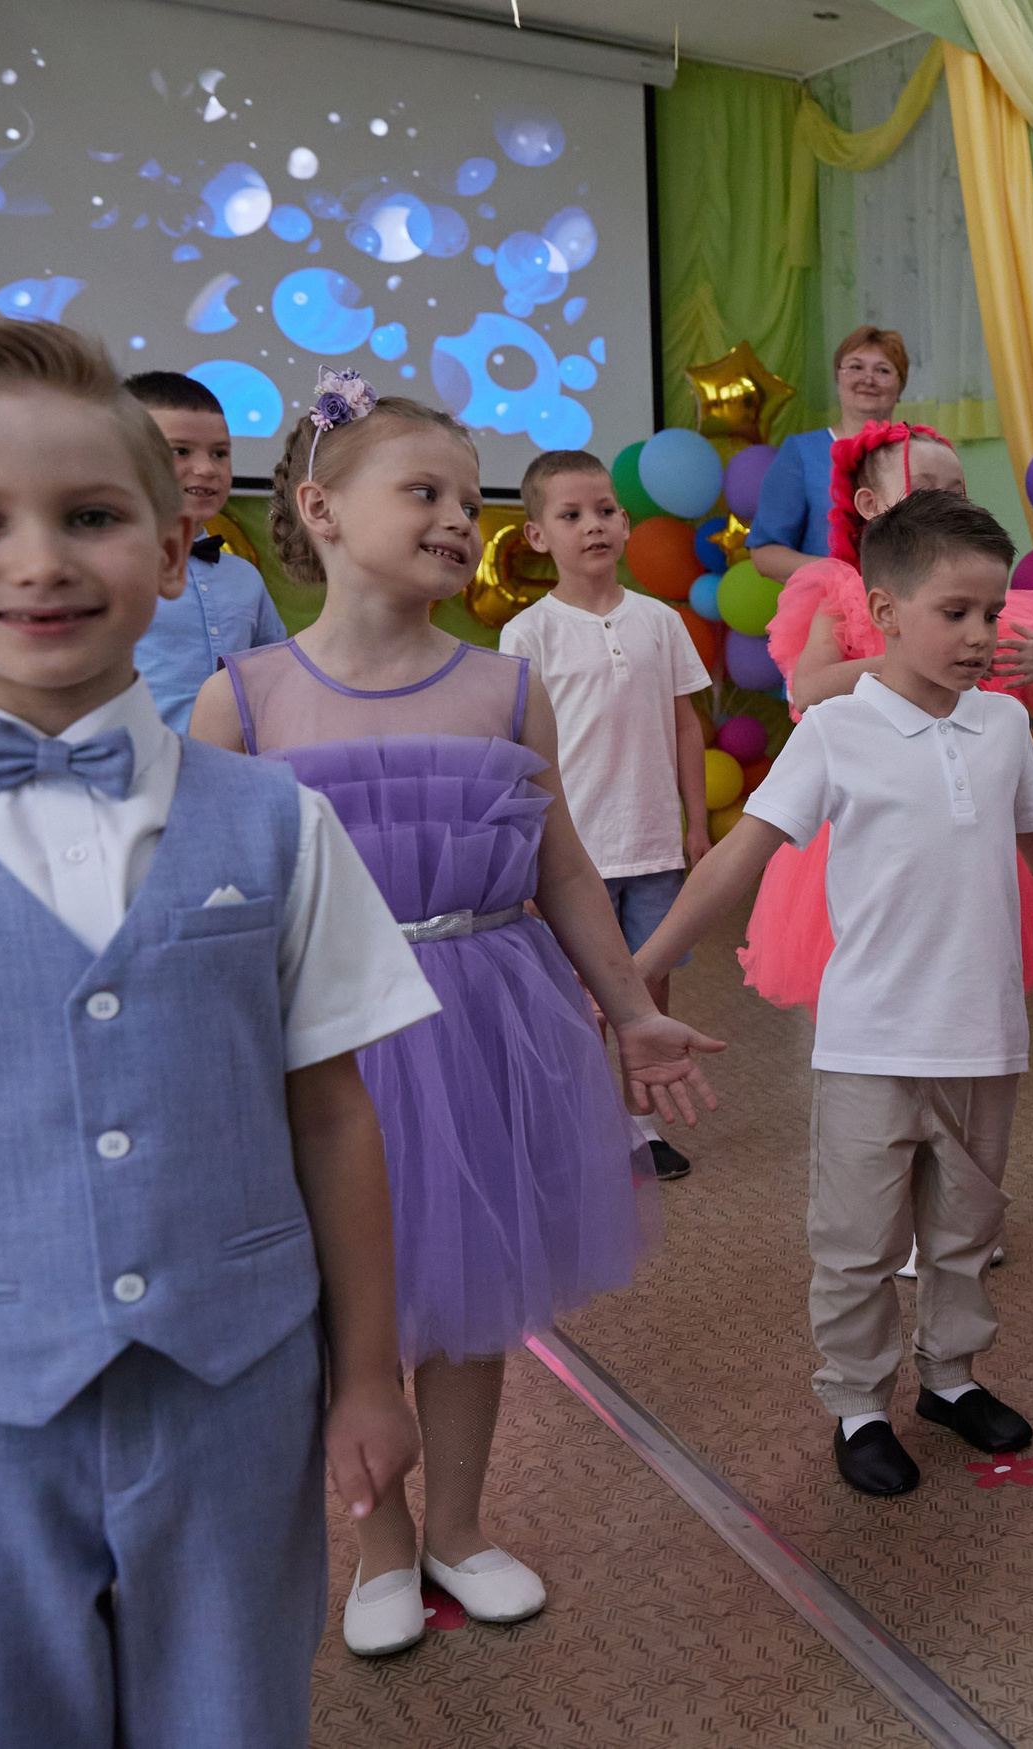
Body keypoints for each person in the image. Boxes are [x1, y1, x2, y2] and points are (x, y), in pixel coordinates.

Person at [0, 318, 433, 1749]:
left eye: (91, 516)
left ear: (173, 554)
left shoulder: (279, 821)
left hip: (234, 1391)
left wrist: (365, 1376)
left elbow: (336, 1111)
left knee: (229, 1714)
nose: (39, 561)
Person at [190, 370, 722, 1658]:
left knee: (477, 1291)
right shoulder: (244, 699)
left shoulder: (502, 687)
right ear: (318, 510)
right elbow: (206, 911)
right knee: (353, 1302)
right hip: (331, 1050)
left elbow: (566, 871)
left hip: (486, 1019)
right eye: (419, 490)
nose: (452, 516)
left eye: (462, 493)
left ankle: (461, 1529)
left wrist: (631, 1009)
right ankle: (378, 1546)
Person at [631, 491, 1033, 1497]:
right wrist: (631, 979)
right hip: (871, 1039)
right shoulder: (837, 730)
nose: (979, 636)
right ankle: (860, 1402)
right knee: (858, 1239)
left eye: (992, 612)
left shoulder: (1004, 728)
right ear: (884, 608)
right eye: (954, 613)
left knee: (965, 1227)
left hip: (984, 1035)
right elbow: (735, 864)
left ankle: (952, 1380)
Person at [743, 420, 1033, 1015]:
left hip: (965, 829)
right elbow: (810, 687)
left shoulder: (985, 609)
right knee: (860, 981)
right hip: (871, 823)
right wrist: (905, 658)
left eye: (957, 491)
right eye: (927, 488)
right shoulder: (840, 591)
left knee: (965, 983)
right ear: (871, 505)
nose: (946, 502)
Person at [499, 449, 714, 1182]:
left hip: (652, 844)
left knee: (648, 987)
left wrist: (695, 823)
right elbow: (517, 750)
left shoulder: (661, 621)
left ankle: (640, 1124)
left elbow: (685, 725)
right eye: (570, 515)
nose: (593, 525)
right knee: (576, 998)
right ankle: (583, 1125)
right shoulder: (527, 634)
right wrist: (525, 846)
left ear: (625, 521)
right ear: (537, 536)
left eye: (605, 510)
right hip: (572, 858)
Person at [122, 371, 287, 731]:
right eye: (180, 451)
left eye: (220, 453)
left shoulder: (244, 578)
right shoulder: (106, 570)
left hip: (229, 773)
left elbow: (275, 678)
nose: (206, 469)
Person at [748, 325, 909, 583]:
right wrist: (839, 573)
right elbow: (765, 554)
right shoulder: (801, 452)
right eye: (855, 367)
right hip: (827, 611)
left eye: (883, 370)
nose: (868, 378)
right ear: (838, 377)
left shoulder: (919, 452)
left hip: (909, 611)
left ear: (900, 386)